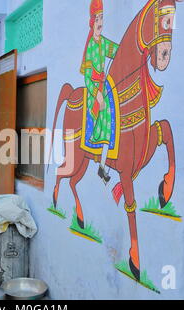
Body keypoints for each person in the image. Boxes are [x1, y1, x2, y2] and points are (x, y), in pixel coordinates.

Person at [80, 0, 119, 184]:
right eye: (98, 18)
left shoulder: (104, 43)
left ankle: (103, 166)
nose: (101, 22)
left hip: (104, 86)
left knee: (112, 116)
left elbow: (119, 51)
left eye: (102, 18)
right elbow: (87, 78)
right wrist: (97, 95)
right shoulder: (90, 47)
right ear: (92, 21)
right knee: (105, 113)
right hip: (94, 92)